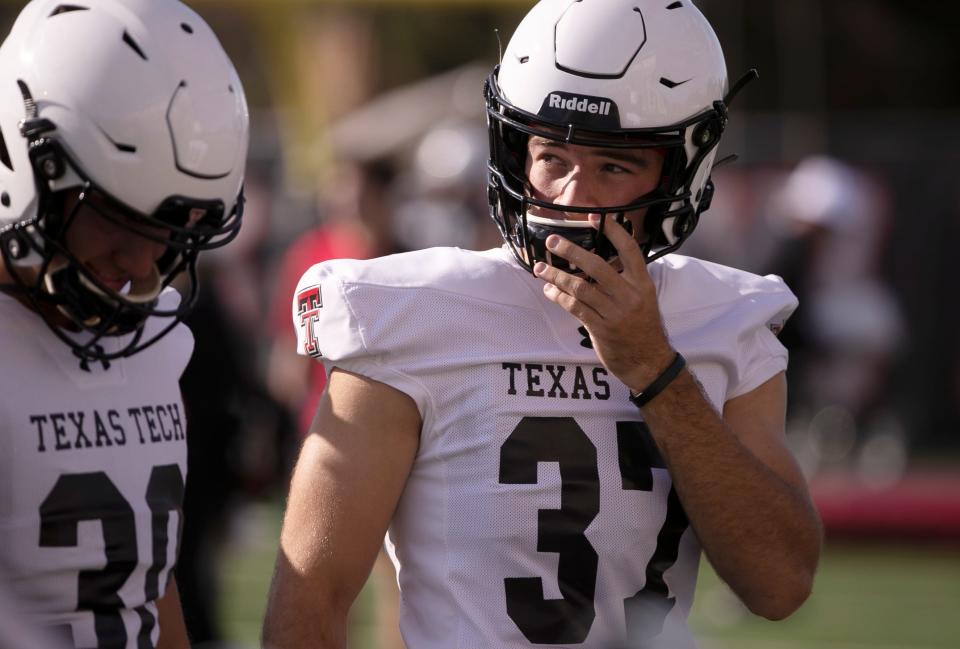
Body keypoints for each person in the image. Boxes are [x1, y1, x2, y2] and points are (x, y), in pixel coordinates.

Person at [262, 1, 821, 648]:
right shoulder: (408, 313)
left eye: (614, 166)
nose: (571, 199)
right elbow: (309, 600)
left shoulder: (726, 320)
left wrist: (655, 370)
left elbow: (780, 583)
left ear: (680, 173)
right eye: (552, 157)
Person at [0, 1, 248, 648]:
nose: (143, 263)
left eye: (171, 232)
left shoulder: (156, 343)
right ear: (29, 165)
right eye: (117, 216)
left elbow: (149, 592)